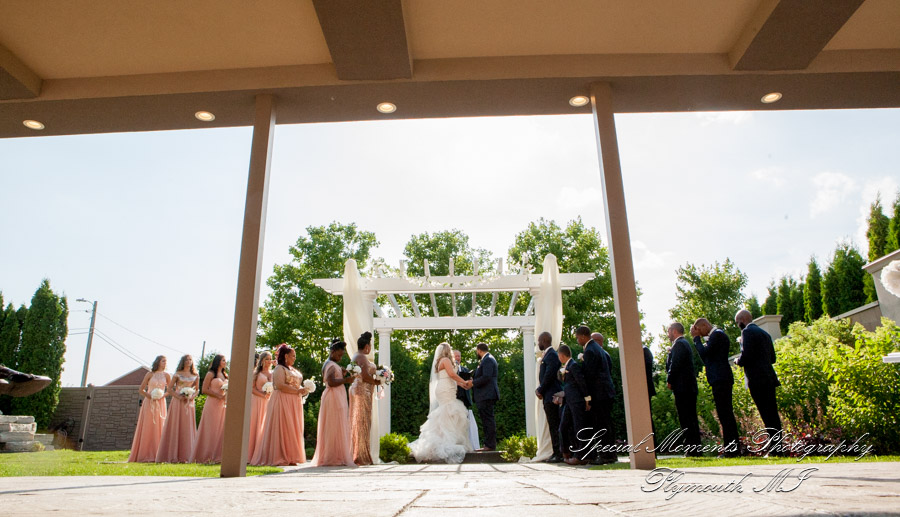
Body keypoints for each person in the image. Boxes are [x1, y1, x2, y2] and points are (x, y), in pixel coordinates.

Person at [408, 343, 474, 463]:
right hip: (445, 389)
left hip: (448, 387)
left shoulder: (441, 361)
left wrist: (463, 385)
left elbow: (451, 377)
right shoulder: (445, 360)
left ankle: (447, 440)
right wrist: (464, 381)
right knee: (448, 412)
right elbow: (452, 374)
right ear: (447, 350)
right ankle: (445, 442)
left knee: (448, 413)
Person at [251, 344, 310, 466]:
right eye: (293, 356)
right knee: (284, 426)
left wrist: (302, 390)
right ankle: (281, 456)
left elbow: (294, 383)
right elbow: (279, 385)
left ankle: (291, 456)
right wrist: (297, 391)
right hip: (282, 400)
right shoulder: (279, 368)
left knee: (293, 427)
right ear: (286, 356)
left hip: (294, 401)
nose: (295, 358)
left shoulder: (292, 369)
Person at [734, 309, 783, 453]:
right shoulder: (765, 334)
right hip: (769, 378)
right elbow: (773, 358)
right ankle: (778, 446)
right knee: (773, 414)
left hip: (757, 379)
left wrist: (737, 361)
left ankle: (775, 449)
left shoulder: (747, 332)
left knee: (766, 414)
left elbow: (746, 355)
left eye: (737, 322)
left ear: (743, 320)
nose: (738, 325)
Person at [691, 318, 740, 457]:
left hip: (721, 379)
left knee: (726, 414)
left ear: (705, 325)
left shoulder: (717, 335)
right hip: (718, 379)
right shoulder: (714, 337)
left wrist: (696, 339)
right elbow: (706, 358)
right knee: (724, 414)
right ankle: (731, 448)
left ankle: (732, 449)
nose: (699, 334)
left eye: (699, 330)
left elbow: (705, 354)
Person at [312, 339, 357, 467]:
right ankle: (332, 456)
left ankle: (336, 454)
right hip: (333, 397)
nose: (340, 358)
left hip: (335, 395)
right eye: (339, 355)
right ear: (333, 352)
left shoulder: (329, 364)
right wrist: (346, 380)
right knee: (334, 424)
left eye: (342, 355)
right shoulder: (331, 365)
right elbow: (331, 382)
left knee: (337, 425)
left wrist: (342, 375)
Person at [577, 327, 617, 464]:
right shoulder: (598, 349)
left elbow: (589, 375)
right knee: (607, 424)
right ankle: (611, 454)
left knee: (601, 425)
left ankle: (604, 455)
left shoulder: (590, 350)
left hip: (599, 394)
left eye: (578, 338)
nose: (577, 340)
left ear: (583, 336)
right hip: (606, 392)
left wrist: (587, 397)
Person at [666, 322, 701, 456]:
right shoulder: (684, 343)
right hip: (688, 387)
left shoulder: (679, 344)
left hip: (683, 388)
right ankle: (695, 448)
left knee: (686, 418)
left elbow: (675, 365)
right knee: (691, 418)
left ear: (674, 331)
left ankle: (691, 448)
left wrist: (670, 380)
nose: (668, 334)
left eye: (669, 331)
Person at [156, 354, 198, 463]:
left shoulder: (195, 375)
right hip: (178, 402)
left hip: (189, 402)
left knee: (187, 426)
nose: (189, 361)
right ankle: (172, 453)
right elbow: (169, 389)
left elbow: (197, 390)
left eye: (190, 360)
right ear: (183, 362)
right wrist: (178, 396)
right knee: (176, 425)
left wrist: (191, 396)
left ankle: (187, 454)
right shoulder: (177, 374)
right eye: (186, 360)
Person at [127, 355, 169, 462]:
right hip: (149, 402)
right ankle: (144, 453)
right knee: (148, 425)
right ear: (158, 362)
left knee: (160, 425)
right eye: (163, 361)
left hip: (160, 403)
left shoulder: (167, 375)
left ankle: (158, 453)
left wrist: (162, 396)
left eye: (166, 361)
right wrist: (150, 396)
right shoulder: (150, 374)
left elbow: (170, 390)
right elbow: (141, 389)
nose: (165, 363)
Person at [557, 344, 591, 465]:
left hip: (577, 401)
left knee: (579, 428)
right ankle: (566, 452)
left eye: (559, 356)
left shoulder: (573, 365)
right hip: (568, 401)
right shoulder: (566, 367)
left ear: (562, 355)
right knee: (563, 426)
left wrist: (587, 399)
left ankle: (581, 456)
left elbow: (581, 383)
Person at [349, 331, 379, 465]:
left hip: (363, 391)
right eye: (370, 346)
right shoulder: (361, 357)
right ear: (367, 346)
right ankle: (360, 455)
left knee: (362, 422)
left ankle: (361, 453)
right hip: (362, 391)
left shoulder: (358, 355)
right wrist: (377, 382)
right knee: (362, 423)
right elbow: (366, 376)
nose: (370, 348)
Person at [192, 354, 228, 464]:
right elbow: (204, 389)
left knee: (220, 429)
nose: (225, 362)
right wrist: (218, 396)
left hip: (223, 404)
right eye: (223, 360)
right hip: (212, 403)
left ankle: (218, 455)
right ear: (218, 361)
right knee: (210, 428)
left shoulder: (225, 375)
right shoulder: (211, 374)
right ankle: (205, 455)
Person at [535, 331, 563, 463]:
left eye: (539, 341)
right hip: (548, 394)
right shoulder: (549, 354)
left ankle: (559, 453)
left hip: (552, 395)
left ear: (544, 340)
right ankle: (557, 452)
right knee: (553, 425)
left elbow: (549, 375)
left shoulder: (551, 355)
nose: (538, 343)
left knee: (554, 425)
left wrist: (540, 389)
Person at [472, 342, 499, 451]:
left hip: (487, 394)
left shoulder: (488, 360)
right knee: (486, 419)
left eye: (477, 351)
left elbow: (486, 377)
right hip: (486, 394)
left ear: (479, 350)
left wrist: (473, 383)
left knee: (488, 420)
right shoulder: (488, 359)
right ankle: (488, 444)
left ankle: (490, 445)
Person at [248, 350, 273, 461]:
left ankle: (264, 453)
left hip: (269, 402)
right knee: (255, 425)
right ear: (262, 360)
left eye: (270, 359)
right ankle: (251, 454)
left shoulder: (273, 373)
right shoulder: (256, 373)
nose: (269, 361)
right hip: (257, 401)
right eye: (267, 359)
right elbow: (252, 389)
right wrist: (263, 395)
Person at [454, 349, 480, 450]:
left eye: (459, 356)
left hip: (465, 399)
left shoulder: (465, 369)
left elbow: (470, 383)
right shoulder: (450, 369)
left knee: (465, 423)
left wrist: (470, 382)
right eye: (455, 356)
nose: (457, 358)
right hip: (454, 398)